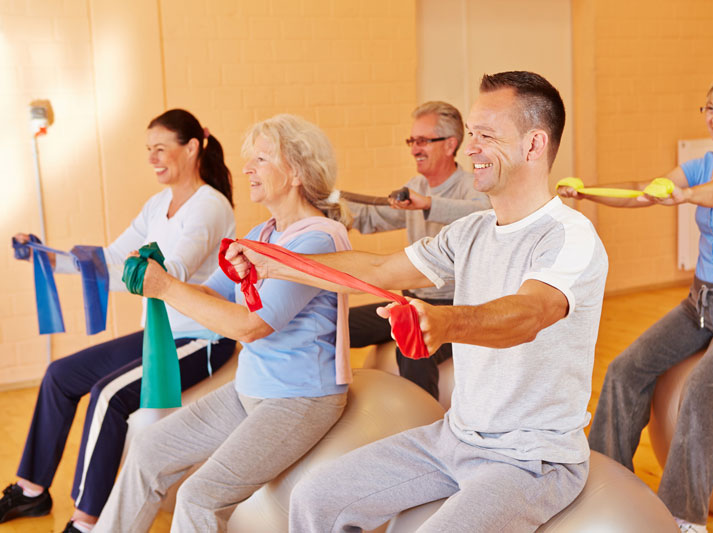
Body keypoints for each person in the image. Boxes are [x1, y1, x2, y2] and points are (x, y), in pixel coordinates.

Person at [226, 71, 608, 532]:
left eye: (487, 135)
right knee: (315, 499)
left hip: (532, 459)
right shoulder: (471, 232)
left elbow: (530, 315)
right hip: (455, 438)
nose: (471, 149)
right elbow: (376, 270)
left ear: (533, 145)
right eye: (472, 134)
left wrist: (444, 323)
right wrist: (273, 262)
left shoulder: (569, 235)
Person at [93, 114, 353, 532]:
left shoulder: (317, 239)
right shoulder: (262, 233)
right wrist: (165, 278)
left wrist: (166, 289)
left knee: (199, 497)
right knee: (148, 450)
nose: (247, 168)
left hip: (299, 399)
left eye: (262, 159)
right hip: (252, 388)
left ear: (296, 172)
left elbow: (251, 325)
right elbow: (213, 292)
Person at [559, 72, 713, 533]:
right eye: (710, 108)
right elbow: (646, 190)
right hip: (701, 304)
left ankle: (682, 518)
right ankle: (604, 482)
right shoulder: (702, 164)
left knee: (701, 389)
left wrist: (686, 196)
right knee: (625, 369)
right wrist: (587, 192)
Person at [0, 109, 237, 533]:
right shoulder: (158, 204)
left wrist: (145, 269)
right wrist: (47, 257)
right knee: (59, 374)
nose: (152, 158)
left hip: (202, 339)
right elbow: (110, 260)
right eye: (149, 150)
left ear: (192, 148)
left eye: (161, 148)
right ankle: (31, 491)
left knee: (107, 395)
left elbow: (173, 271)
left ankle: (86, 521)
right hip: (161, 334)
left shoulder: (210, 207)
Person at [348, 101, 490, 400]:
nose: (414, 149)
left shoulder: (471, 187)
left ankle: (424, 432)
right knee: (336, 325)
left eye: (423, 141)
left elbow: (484, 215)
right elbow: (375, 217)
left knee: (414, 350)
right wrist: (331, 210)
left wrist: (427, 203)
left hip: (453, 309)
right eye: (412, 141)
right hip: (409, 304)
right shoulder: (416, 186)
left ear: (450, 144)